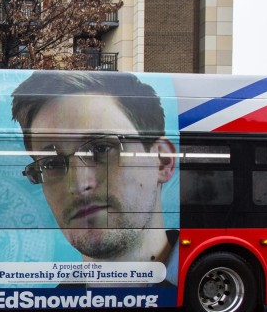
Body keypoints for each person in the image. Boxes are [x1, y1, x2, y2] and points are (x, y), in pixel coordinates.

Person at [11, 71, 178, 286]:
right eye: (51, 164)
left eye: (101, 149)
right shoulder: (56, 300)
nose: (79, 185)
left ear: (162, 160)